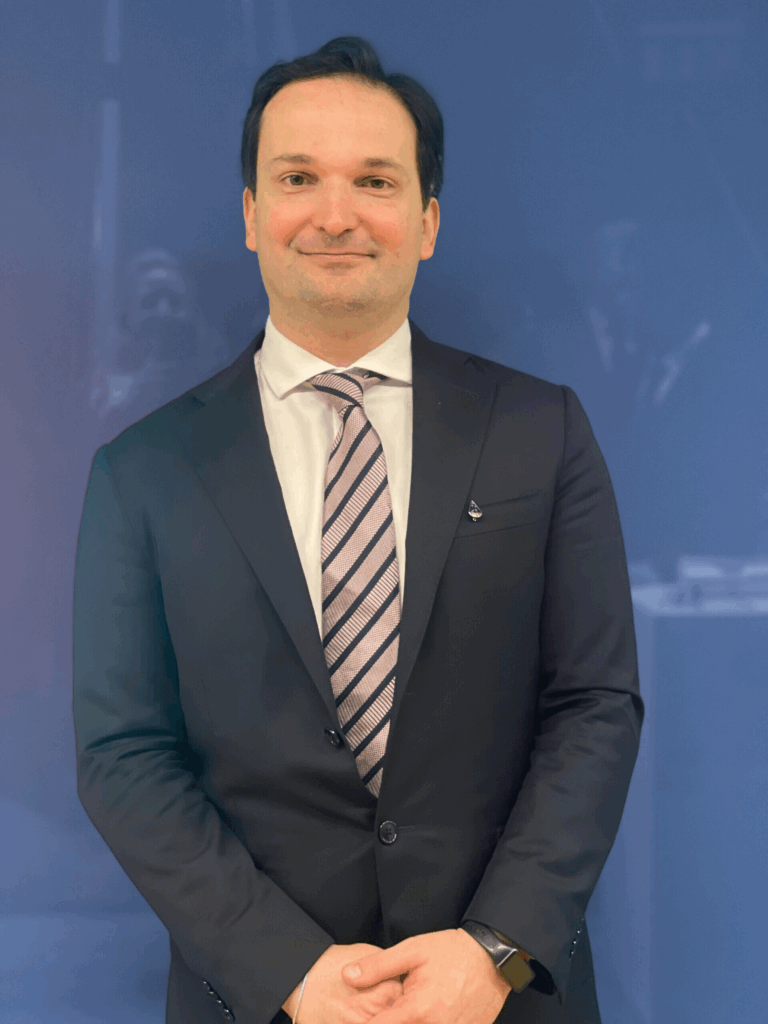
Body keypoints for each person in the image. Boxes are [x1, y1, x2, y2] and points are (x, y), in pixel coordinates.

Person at [73, 35, 643, 1024]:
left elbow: (594, 706)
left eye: (375, 181)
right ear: (251, 214)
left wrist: (495, 952)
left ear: (427, 221)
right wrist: (287, 969)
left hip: (503, 1000)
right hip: (258, 999)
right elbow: (125, 756)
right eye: (298, 178)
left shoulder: (540, 431)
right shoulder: (143, 470)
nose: (335, 215)